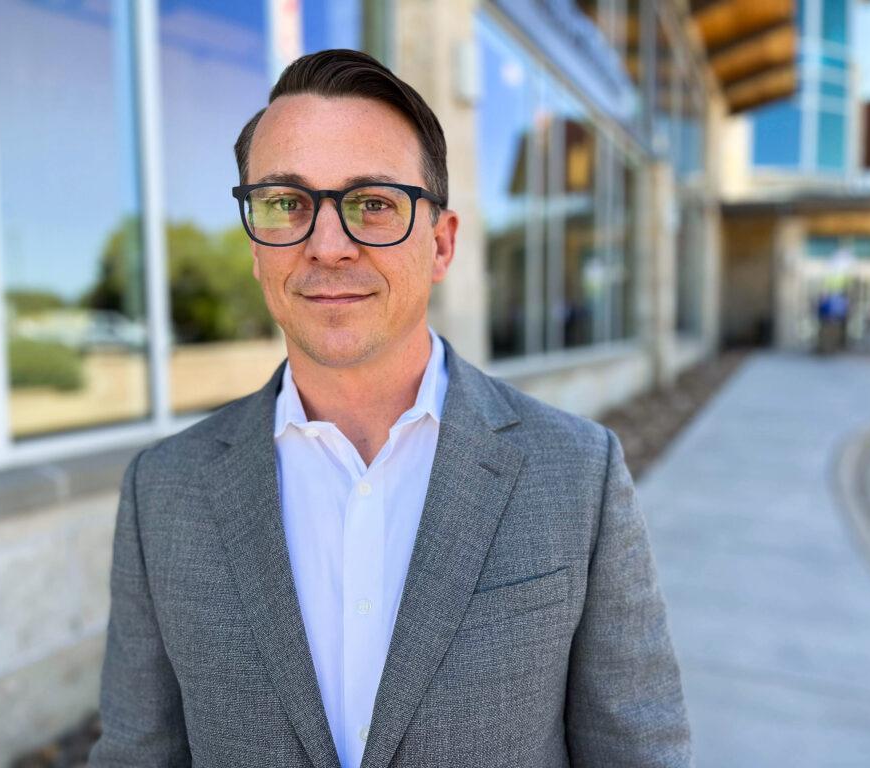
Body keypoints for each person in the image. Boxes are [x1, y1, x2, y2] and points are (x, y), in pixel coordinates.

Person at [88, 49, 692, 768]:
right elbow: (136, 755)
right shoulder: (164, 492)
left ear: (441, 243)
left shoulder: (577, 474)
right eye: (286, 203)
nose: (328, 245)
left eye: (373, 203)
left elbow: (640, 752)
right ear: (255, 246)